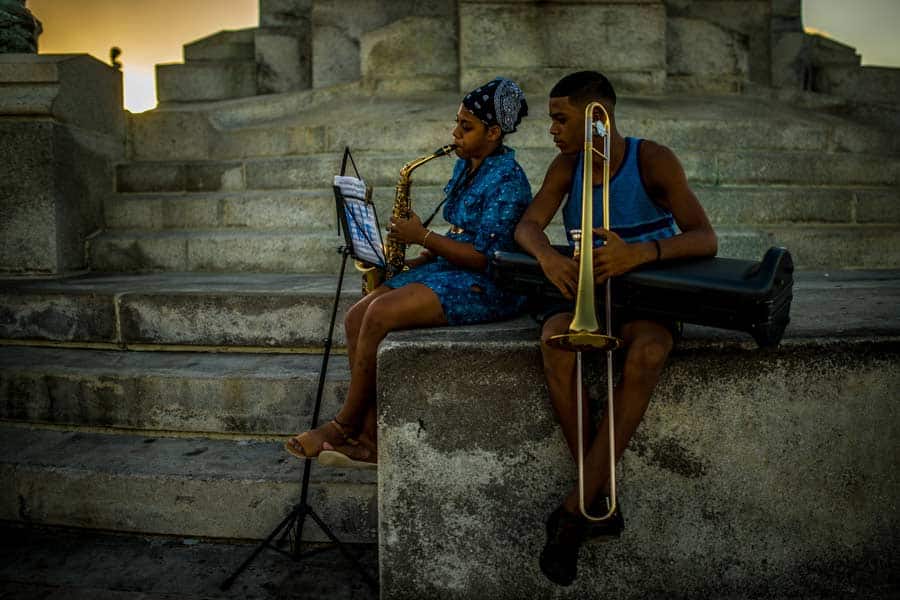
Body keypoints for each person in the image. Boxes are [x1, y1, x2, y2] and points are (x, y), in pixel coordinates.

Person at [513, 71, 718, 586]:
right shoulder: (567, 166)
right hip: (588, 293)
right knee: (554, 341)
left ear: (596, 114)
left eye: (561, 118)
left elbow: (705, 237)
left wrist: (641, 253)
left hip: (646, 292)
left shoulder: (652, 160)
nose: (552, 129)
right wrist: (547, 259)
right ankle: (596, 497)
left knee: (649, 351)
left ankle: (577, 506)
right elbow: (528, 225)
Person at [285, 77, 532, 469]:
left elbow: (486, 258)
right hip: (452, 269)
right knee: (355, 317)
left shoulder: (509, 179)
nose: (455, 133)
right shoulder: (466, 166)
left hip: (489, 283)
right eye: (457, 122)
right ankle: (367, 440)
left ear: (494, 132)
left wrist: (423, 237)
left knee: (380, 313)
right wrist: (409, 261)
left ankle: (343, 426)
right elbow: (457, 236)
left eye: (466, 127)